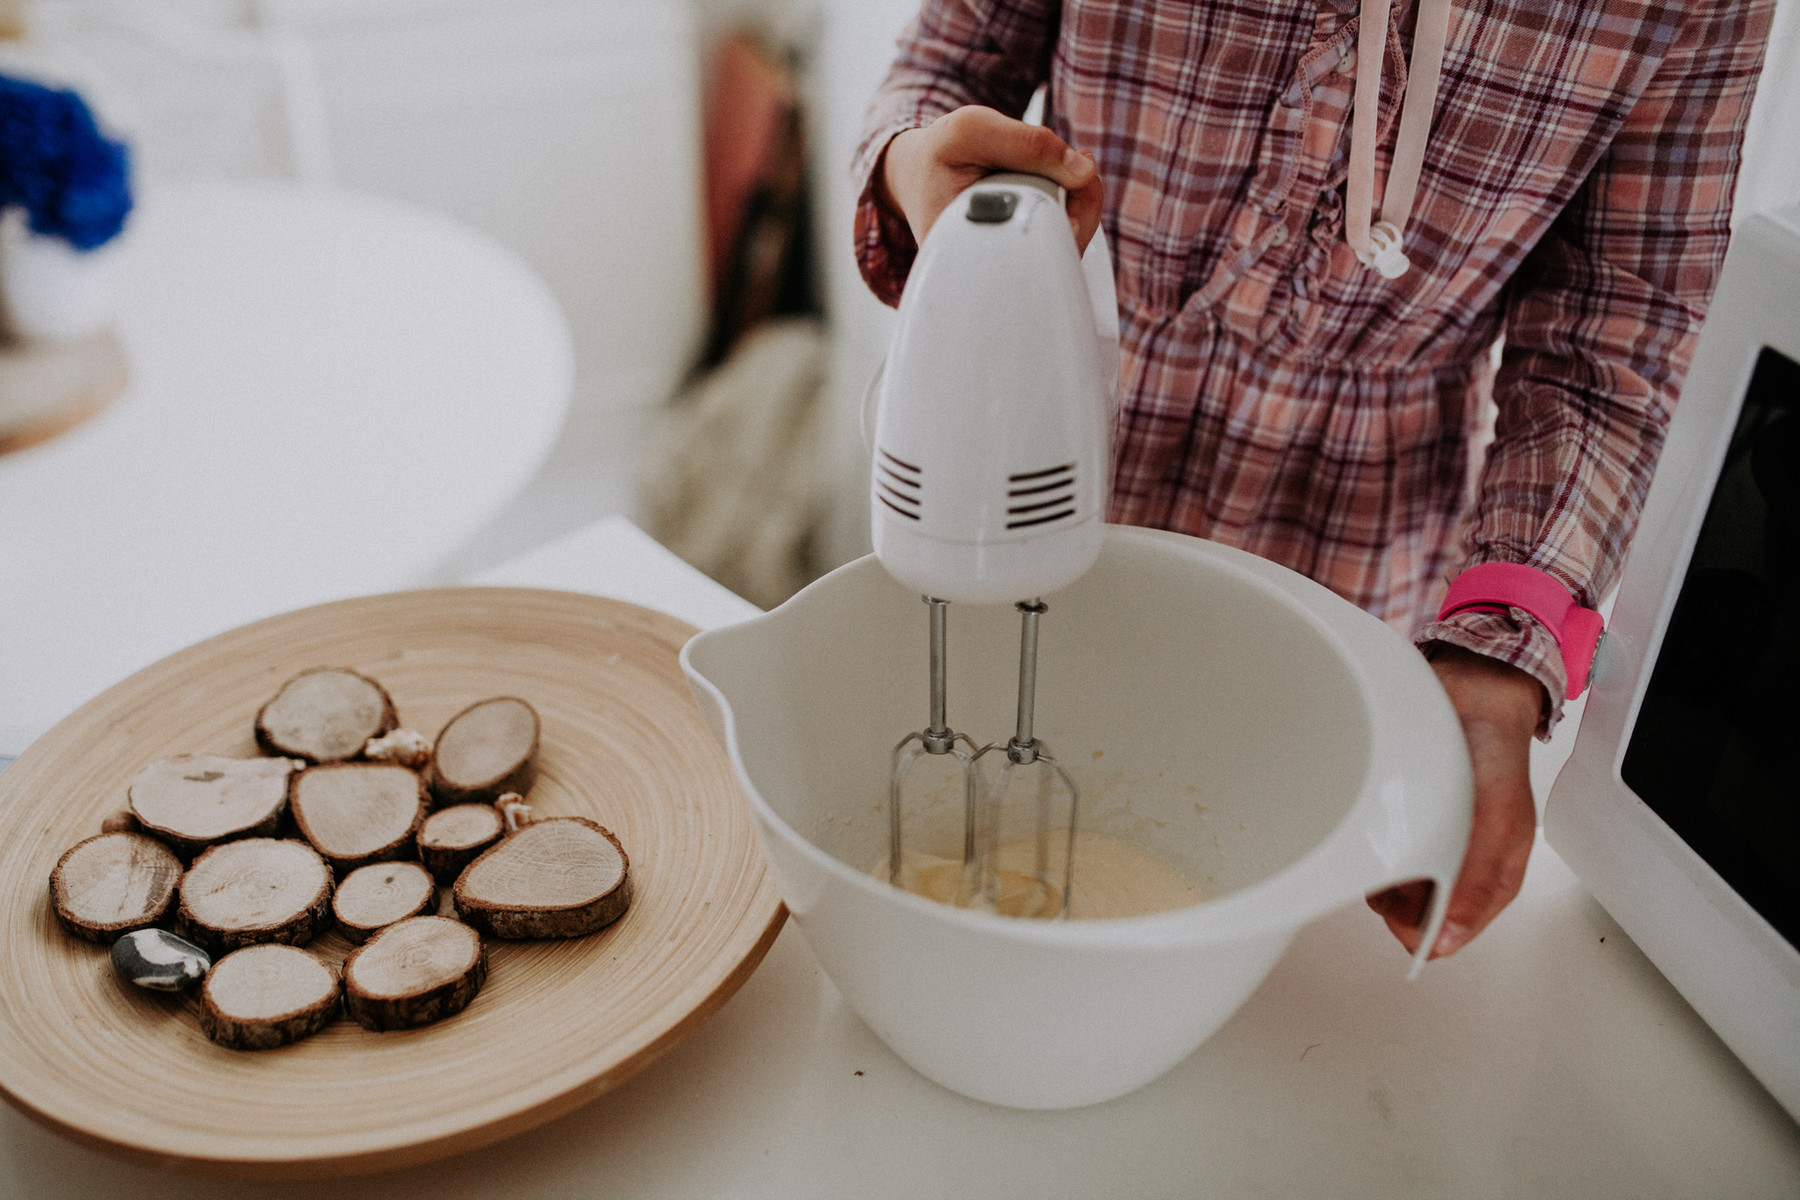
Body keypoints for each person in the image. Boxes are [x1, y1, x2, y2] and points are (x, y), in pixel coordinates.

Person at [853, 0, 1774, 957]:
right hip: (1032, 466)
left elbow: (1616, 343)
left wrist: (1500, 655)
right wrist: (912, 160)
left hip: (1368, 569)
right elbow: (951, 64)